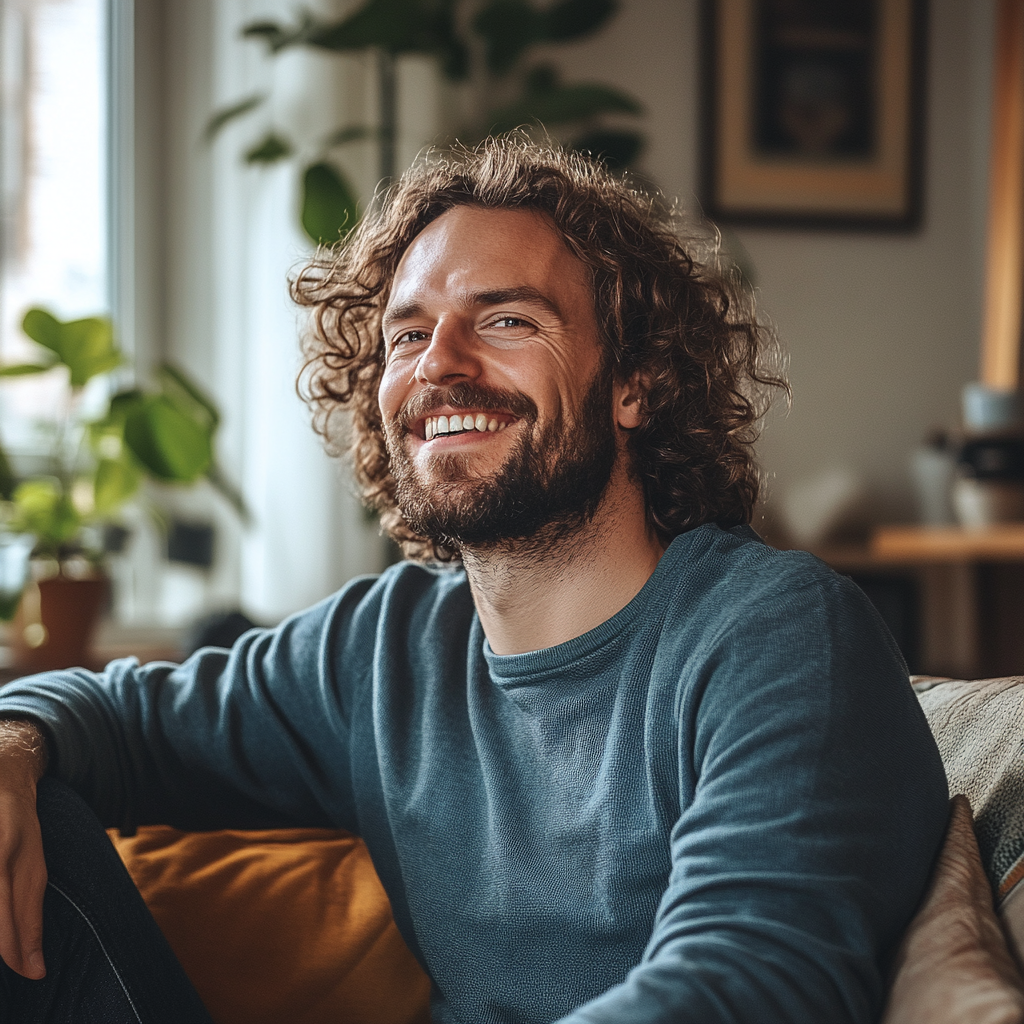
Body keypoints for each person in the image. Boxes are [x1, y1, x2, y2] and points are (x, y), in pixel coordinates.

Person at [0, 138, 948, 1023]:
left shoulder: (775, 636)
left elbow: (749, 981)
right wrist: (13, 747)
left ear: (635, 384)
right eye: (407, 336)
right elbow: (114, 717)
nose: (440, 365)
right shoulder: (383, 648)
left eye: (506, 319)